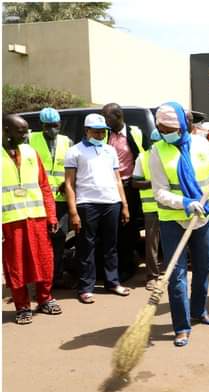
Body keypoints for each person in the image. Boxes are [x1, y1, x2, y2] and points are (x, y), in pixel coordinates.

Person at [150, 103, 209, 346]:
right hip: (172, 219)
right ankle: (181, 326)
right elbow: (159, 192)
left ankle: (198, 310)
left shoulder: (201, 144)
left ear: (182, 125)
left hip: (204, 217)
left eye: (169, 127)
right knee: (176, 274)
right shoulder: (157, 151)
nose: (165, 131)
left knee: (203, 267)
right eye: (161, 128)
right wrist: (185, 203)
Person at [2, 113, 63, 324]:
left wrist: (51, 216)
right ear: (6, 130)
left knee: (45, 260)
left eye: (27, 130)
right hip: (10, 222)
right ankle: (22, 306)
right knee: (16, 265)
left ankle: (45, 299)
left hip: (37, 219)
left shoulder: (30, 152)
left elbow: (44, 186)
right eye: (20, 131)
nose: (25, 134)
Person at [65, 113, 131, 304]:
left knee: (111, 246)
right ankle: (86, 287)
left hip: (111, 203)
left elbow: (117, 179)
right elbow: (69, 183)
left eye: (103, 132)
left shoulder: (110, 150)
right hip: (87, 203)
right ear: (87, 131)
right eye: (96, 132)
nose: (100, 135)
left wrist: (124, 204)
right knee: (86, 247)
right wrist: (73, 212)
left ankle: (112, 282)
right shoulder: (75, 151)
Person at [28, 107, 73, 288]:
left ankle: (56, 275)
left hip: (61, 199)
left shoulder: (67, 141)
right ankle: (41, 277)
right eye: (48, 126)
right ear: (42, 126)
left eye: (55, 125)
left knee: (59, 237)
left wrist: (69, 182)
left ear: (60, 124)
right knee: (41, 238)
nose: (52, 129)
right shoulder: (30, 139)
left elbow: (72, 166)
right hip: (38, 198)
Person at [102, 103, 144, 282]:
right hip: (110, 186)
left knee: (130, 227)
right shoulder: (104, 135)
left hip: (130, 186)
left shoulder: (135, 132)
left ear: (118, 116)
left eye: (107, 117)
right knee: (115, 228)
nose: (104, 121)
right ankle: (117, 266)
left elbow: (144, 154)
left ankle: (128, 266)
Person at [131, 144, 162, 290]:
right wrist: (152, 183)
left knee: (173, 241)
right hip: (151, 207)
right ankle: (152, 276)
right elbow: (135, 182)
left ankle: (173, 273)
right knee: (152, 244)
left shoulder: (173, 154)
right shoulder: (143, 158)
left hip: (172, 206)